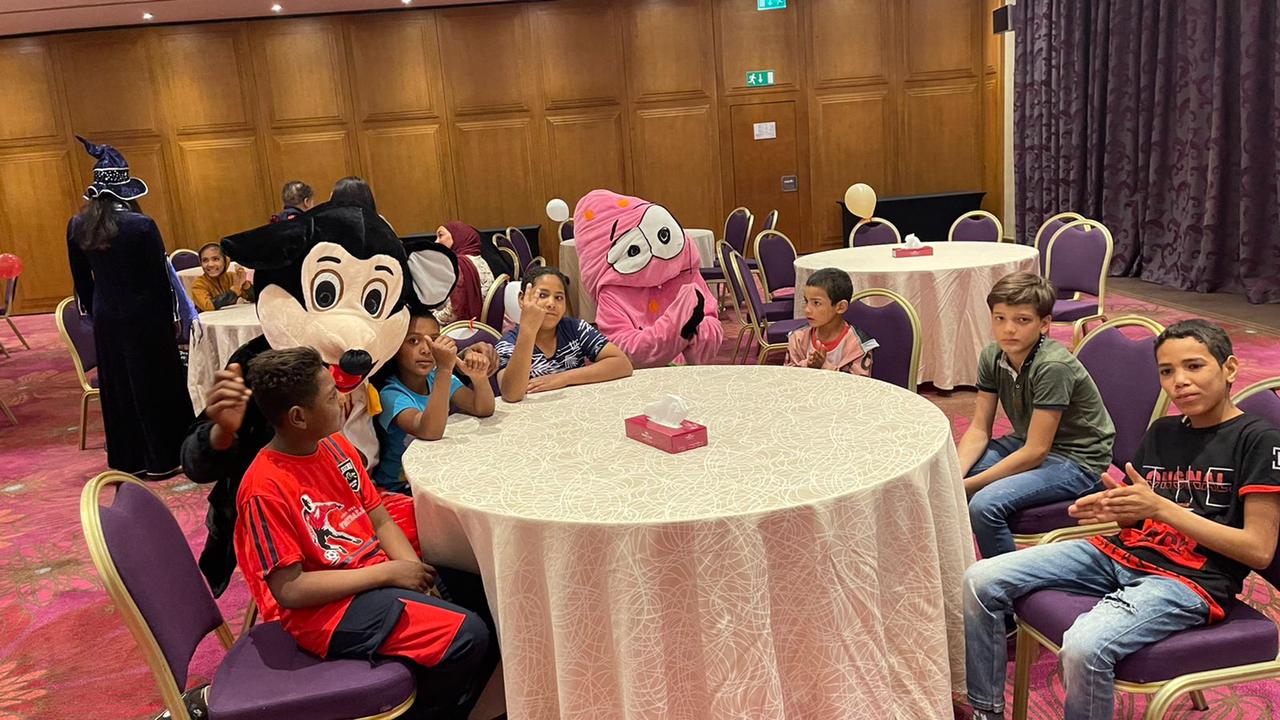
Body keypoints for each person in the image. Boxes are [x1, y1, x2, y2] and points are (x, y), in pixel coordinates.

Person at [962, 319, 1280, 720]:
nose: (1180, 381)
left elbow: (1258, 549)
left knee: (1084, 646)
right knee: (980, 579)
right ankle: (986, 712)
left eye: (1194, 366)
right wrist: (1117, 509)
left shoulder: (1259, 440)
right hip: (1121, 554)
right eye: (1167, 371)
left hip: (1191, 581)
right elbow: (1139, 516)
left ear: (1229, 368)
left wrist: (1160, 509)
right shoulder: (1163, 432)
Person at [234, 347, 497, 719]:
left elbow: (379, 520)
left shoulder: (335, 445)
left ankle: (464, 699)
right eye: (331, 396)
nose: (344, 400)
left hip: (374, 576)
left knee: (490, 594)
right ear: (298, 417)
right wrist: (388, 573)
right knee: (469, 634)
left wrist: (413, 573)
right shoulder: (264, 489)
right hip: (327, 613)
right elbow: (290, 590)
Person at [957, 271, 1115, 558]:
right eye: (1000, 318)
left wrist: (965, 486)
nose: (1008, 329)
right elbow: (979, 428)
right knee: (947, 473)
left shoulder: (1053, 366)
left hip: (1078, 460)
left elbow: (1036, 452)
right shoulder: (992, 355)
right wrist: (956, 476)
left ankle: (1002, 579)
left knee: (983, 505)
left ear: (1044, 324)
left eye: (1022, 320)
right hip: (1026, 441)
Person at [66, 135, 193, 479]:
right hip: (147, 315)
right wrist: (172, 319)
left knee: (119, 385)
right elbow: (159, 277)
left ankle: (128, 459)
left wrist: (96, 312)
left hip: (106, 316)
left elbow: (81, 280)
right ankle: (163, 457)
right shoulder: (141, 225)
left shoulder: (79, 225)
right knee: (156, 382)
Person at [375, 312, 497, 493]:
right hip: (401, 486)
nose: (426, 349)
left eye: (433, 340)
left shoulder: (436, 378)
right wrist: (444, 369)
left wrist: (478, 377)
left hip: (436, 473)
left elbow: (483, 408)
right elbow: (429, 431)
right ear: (396, 347)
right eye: (413, 341)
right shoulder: (391, 394)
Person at [496, 266, 632, 403]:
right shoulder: (508, 343)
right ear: (522, 299)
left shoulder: (576, 329)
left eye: (559, 297)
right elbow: (511, 394)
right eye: (543, 295)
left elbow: (622, 364)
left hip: (577, 405)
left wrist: (563, 378)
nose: (551, 304)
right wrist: (528, 332)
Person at [784, 268, 875, 375]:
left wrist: (823, 366)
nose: (807, 309)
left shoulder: (859, 346)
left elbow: (859, 384)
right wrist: (808, 364)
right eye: (806, 301)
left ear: (840, 307)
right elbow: (787, 376)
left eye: (816, 303)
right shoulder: (798, 338)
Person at [432, 222, 513, 325]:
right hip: (487, 324)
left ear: (458, 236)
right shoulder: (480, 260)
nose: (436, 241)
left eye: (440, 235)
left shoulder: (460, 265)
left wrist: (432, 317)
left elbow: (455, 312)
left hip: (465, 326)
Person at [190, 242, 253, 312]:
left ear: (226, 261)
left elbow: (256, 298)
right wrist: (235, 289)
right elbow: (208, 306)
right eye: (205, 260)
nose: (210, 264)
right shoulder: (198, 284)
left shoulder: (232, 277)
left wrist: (244, 284)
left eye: (215, 259)